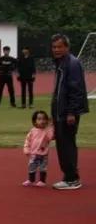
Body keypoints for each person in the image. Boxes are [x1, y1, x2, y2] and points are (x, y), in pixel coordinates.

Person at [50, 34, 89, 190]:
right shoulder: (61, 63)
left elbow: (76, 89)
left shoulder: (72, 64)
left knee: (66, 144)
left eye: (60, 47)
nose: (56, 50)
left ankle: (72, 178)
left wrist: (72, 112)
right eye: (54, 47)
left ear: (67, 47)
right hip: (60, 112)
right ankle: (69, 176)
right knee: (62, 143)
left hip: (67, 113)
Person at [23, 110, 54, 187]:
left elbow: (51, 137)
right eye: (39, 119)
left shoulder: (47, 130)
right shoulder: (32, 131)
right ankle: (31, 180)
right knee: (31, 167)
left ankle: (42, 181)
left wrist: (51, 126)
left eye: (44, 119)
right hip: (33, 154)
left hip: (43, 154)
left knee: (43, 168)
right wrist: (26, 149)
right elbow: (27, 140)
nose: (42, 121)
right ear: (35, 121)